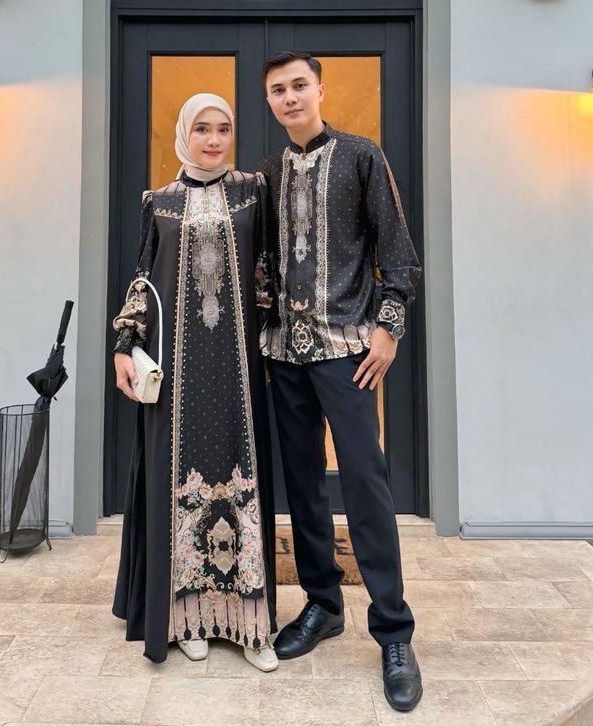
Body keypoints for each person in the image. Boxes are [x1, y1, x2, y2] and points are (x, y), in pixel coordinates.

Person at [256, 52, 423, 710]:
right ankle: (323, 605)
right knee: (302, 486)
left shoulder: (360, 157)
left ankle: (394, 632)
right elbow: (260, 262)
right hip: (283, 355)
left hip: (347, 351)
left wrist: (389, 327)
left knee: (365, 482)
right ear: (270, 100)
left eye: (299, 85)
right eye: (278, 90)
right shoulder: (267, 174)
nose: (290, 97)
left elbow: (398, 253)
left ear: (320, 89)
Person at [111, 93, 278, 672]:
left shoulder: (253, 192)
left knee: (241, 469)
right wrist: (124, 345)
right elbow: (142, 279)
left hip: (239, 368)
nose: (213, 139)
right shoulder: (158, 202)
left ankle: (251, 622)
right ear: (185, 132)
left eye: (223, 129)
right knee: (178, 478)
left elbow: (269, 271)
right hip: (177, 370)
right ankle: (188, 618)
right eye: (202, 129)